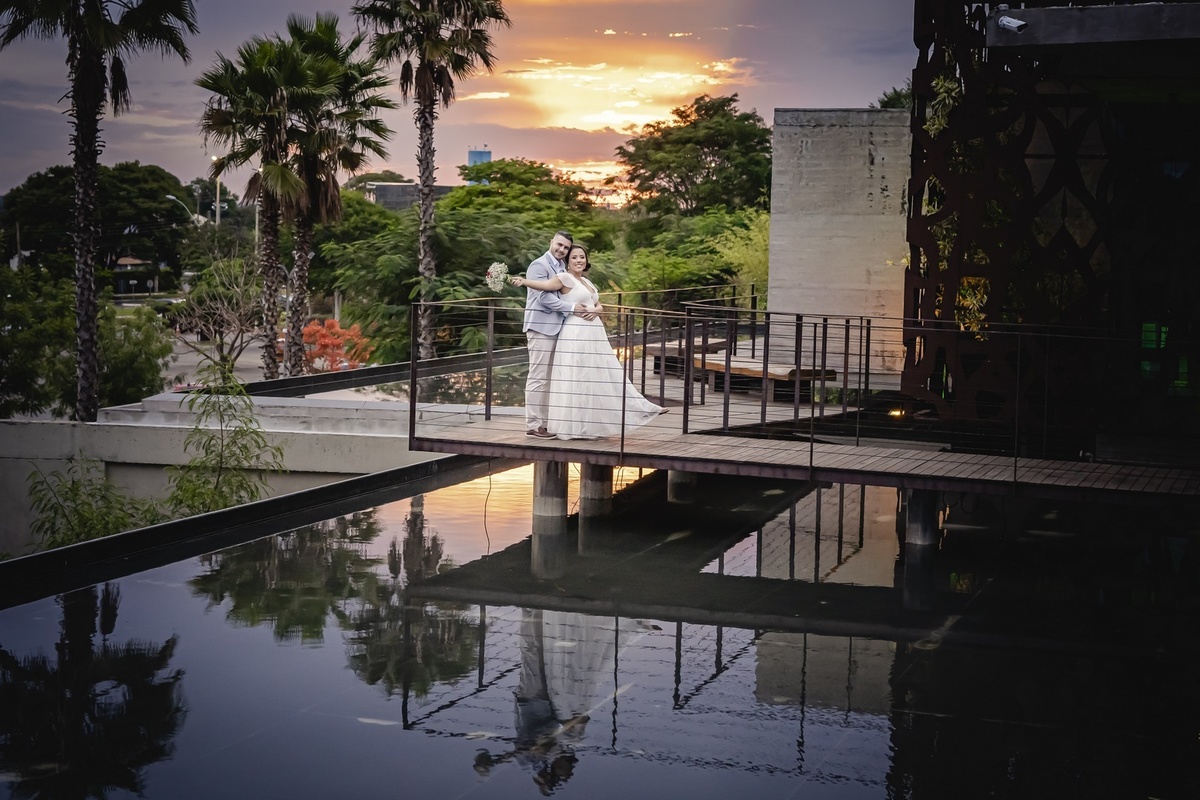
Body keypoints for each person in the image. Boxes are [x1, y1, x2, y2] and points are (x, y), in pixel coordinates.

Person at [512, 244, 666, 440]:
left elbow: (597, 304)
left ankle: (592, 423)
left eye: (582, 257)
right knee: (576, 374)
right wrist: (524, 281)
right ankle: (572, 425)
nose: (579, 260)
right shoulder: (564, 278)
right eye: (574, 257)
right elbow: (545, 287)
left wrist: (596, 310)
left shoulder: (586, 281)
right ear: (568, 261)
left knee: (596, 374)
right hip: (575, 331)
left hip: (594, 333)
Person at [520, 231, 595, 439]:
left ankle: (546, 423)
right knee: (538, 376)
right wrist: (571, 308)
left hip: (560, 329)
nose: (561, 250)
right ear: (551, 242)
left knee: (551, 378)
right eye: (559, 245)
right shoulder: (539, 265)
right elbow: (543, 297)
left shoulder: (562, 267)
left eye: (565, 248)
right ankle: (534, 424)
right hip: (541, 327)